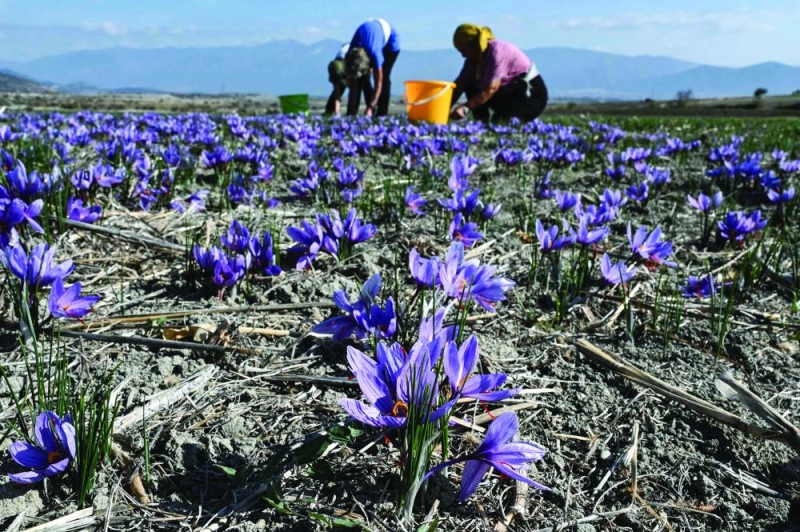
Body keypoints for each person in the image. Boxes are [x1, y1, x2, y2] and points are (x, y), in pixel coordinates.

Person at [449, 24, 548, 123]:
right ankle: (481, 122)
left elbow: (491, 89)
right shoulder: (472, 60)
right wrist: (444, 108)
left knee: (501, 123)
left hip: (529, 95)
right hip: (507, 94)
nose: (463, 55)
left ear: (474, 45)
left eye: (464, 50)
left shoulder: (497, 52)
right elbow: (459, 86)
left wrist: (465, 108)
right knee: (469, 83)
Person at [344, 18, 400, 117]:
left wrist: (370, 106)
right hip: (371, 32)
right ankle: (351, 114)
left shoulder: (375, 53)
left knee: (385, 77)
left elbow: (379, 81)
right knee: (358, 81)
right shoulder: (351, 51)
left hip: (390, 44)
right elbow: (350, 77)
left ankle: (381, 114)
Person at [325, 43, 350, 115]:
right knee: (353, 90)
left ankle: (332, 111)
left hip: (333, 65)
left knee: (337, 92)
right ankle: (350, 113)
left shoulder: (343, 47)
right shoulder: (353, 45)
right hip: (342, 66)